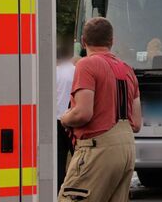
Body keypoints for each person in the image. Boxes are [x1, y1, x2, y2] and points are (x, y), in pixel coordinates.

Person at [58, 18, 142, 202]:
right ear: (112, 41)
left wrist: (65, 118)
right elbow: (136, 123)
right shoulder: (127, 70)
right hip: (126, 150)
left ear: (83, 41)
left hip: (98, 149)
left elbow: (83, 113)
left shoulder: (87, 65)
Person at [55, 43, 76, 192]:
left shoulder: (54, 72)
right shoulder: (76, 70)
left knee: (59, 159)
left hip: (57, 119)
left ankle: (58, 190)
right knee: (78, 156)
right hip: (74, 119)